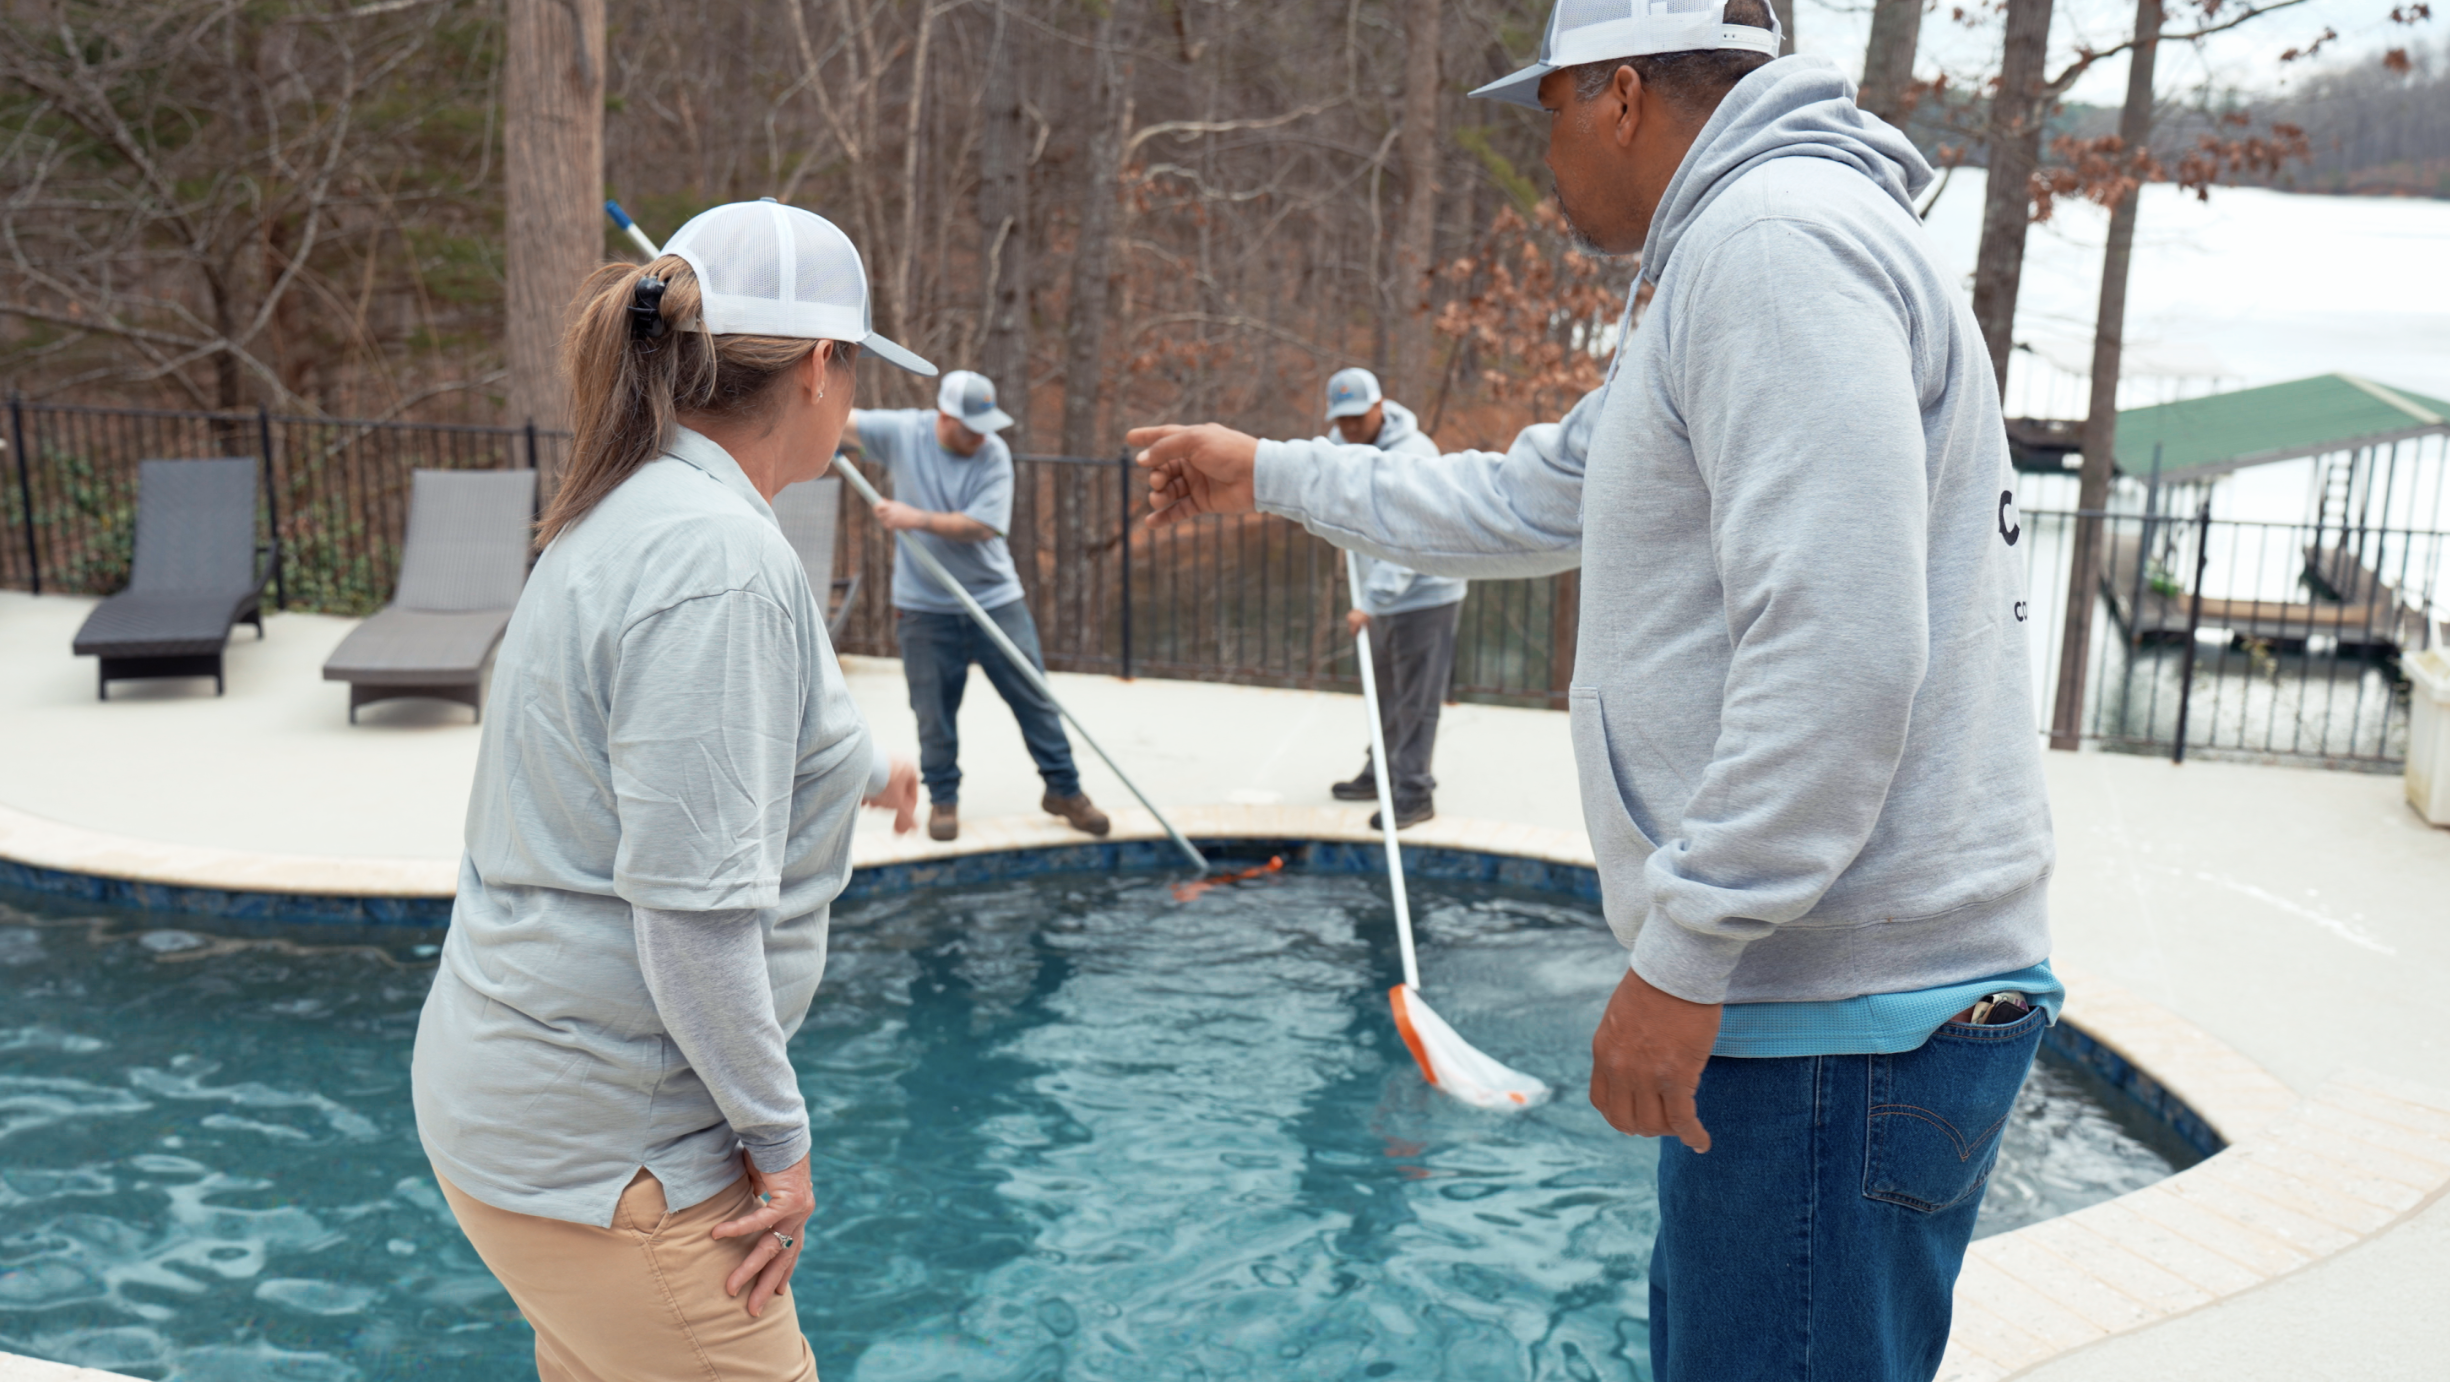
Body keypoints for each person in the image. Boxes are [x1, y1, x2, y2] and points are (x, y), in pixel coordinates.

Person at [1129, 4, 2062, 1377]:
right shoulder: (1743, 251)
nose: (1546, 144)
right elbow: (1523, 492)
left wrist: (1684, 952)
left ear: (1620, 93)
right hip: (1821, 1010)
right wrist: (1265, 468)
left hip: (1830, 1018)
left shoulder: (1769, 249)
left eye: (1549, 105)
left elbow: (1841, 644)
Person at [412, 200, 927, 1382]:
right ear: (819, 367)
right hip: (617, 1155)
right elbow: (690, 917)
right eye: (854, 374)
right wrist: (781, 1143)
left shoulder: (628, 508)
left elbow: (652, 756)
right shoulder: (719, 561)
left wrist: (856, 769)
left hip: (518, 1116)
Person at [842, 370, 1110, 843]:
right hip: (923, 607)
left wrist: (914, 518)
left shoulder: (993, 455)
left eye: (985, 426)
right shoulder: (905, 433)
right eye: (970, 427)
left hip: (994, 599)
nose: (979, 437)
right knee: (933, 710)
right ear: (943, 417)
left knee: (1034, 698)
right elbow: (843, 421)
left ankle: (1064, 790)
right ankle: (944, 800)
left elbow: (983, 525)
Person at [1317, 367, 1467, 829]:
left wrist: (1372, 600)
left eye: (1357, 417)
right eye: (1341, 419)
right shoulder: (1342, 449)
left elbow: (1413, 538)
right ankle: (1380, 772)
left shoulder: (1414, 456)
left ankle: (1413, 790)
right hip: (1378, 596)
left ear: (1380, 407)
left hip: (1427, 593)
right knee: (1384, 692)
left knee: (1417, 698)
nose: (1349, 427)